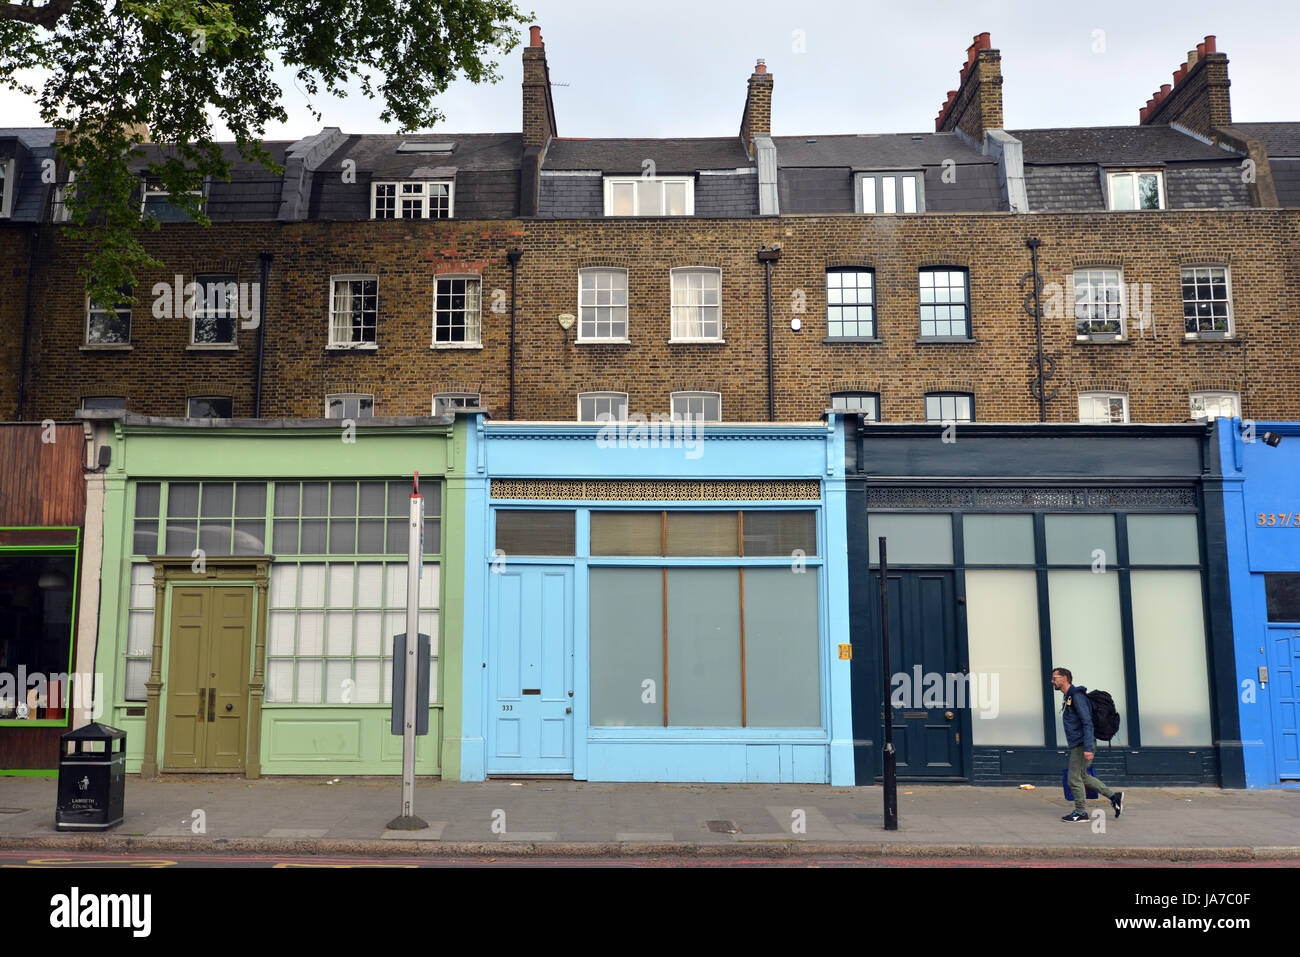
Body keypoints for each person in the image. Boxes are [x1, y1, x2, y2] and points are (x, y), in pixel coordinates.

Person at [1051, 667, 1123, 823]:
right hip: (1080, 743)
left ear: (1064, 678)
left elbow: (1087, 723)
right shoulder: (1069, 697)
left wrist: (1088, 748)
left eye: (1054, 678)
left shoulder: (1077, 697)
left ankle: (1081, 812)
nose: (1052, 681)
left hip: (1083, 744)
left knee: (1073, 778)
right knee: (1082, 776)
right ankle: (1114, 796)